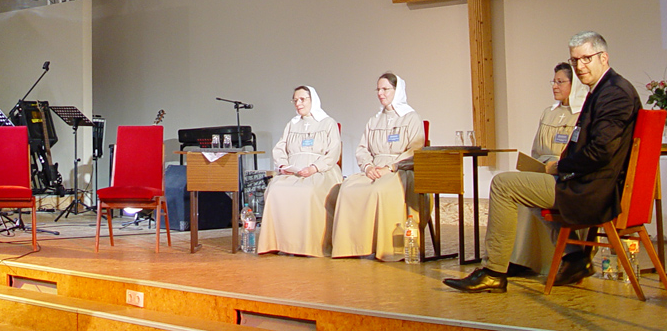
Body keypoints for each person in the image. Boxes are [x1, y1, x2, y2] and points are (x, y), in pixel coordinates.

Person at [444, 31, 641, 293]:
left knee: (503, 184)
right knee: (529, 186)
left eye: (586, 59)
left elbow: (601, 152)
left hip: (594, 190)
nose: (580, 67)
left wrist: (561, 167)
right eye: (575, 61)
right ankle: (573, 257)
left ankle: (493, 272)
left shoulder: (614, 94)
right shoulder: (604, 90)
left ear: (603, 57)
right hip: (589, 183)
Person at [331, 73, 425, 261]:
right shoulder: (374, 121)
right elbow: (362, 148)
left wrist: (390, 167)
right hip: (374, 169)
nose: (380, 93)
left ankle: (386, 248)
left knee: (381, 190)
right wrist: (367, 167)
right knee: (348, 188)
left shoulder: (411, 118)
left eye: (385, 89)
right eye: (378, 89)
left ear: (397, 91)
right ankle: (352, 246)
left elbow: (415, 150)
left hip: (400, 170)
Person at [506, 62, 587, 277]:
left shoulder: (583, 114)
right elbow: (536, 149)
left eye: (560, 82)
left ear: (575, 85)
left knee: (526, 192)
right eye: (554, 81)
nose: (555, 86)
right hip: (543, 170)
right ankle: (519, 258)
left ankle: (569, 255)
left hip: (565, 174)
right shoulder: (548, 113)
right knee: (518, 187)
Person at [256, 86, 343, 257]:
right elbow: (280, 148)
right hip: (294, 171)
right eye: (295, 100)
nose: (298, 103)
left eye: (302, 99)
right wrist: (283, 166)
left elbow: (333, 151)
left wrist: (314, 168)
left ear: (313, 100)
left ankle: (310, 246)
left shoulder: (328, 123)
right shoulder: (292, 124)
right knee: (274, 190)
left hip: (320, 170)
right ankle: (278, 243)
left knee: (309, 191)